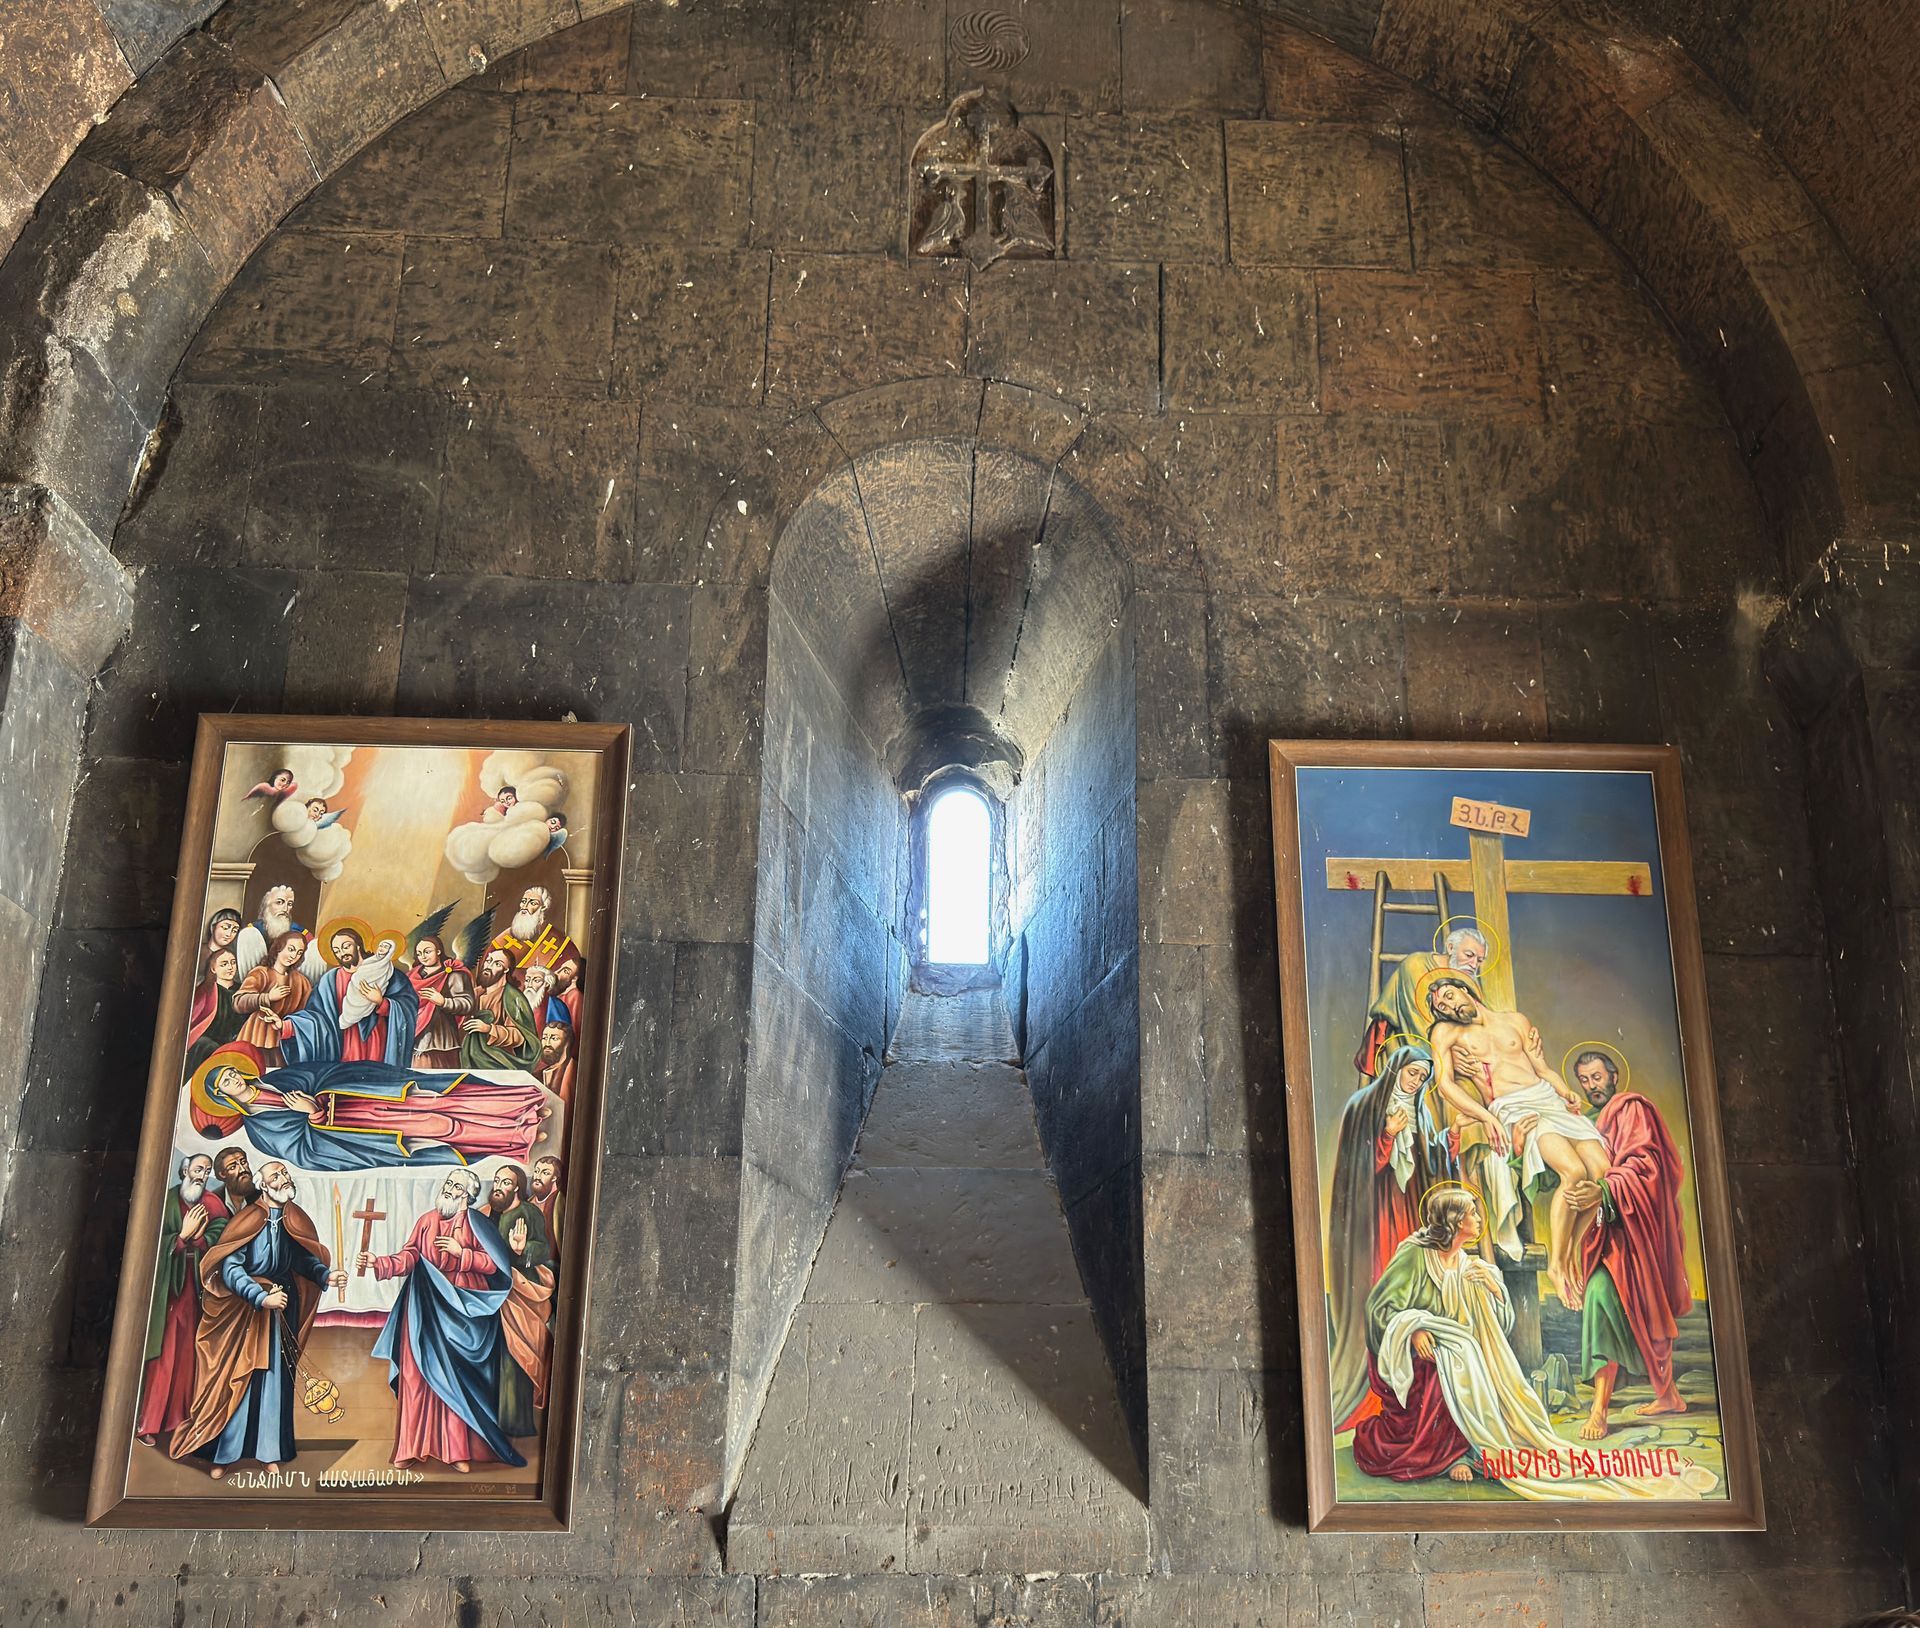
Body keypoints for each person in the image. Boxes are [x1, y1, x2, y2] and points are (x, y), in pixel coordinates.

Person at [1355, 1189, 1710, 1501]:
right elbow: (1378, 1310)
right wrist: (1413, 1330)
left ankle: (1465, 1449)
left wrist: (1493, 1288)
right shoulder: (1415, 1256)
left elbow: (1497, 1325)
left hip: (1454, 1350)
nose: (1479, 1219)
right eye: (1473, 1213)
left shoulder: (1466, 1262)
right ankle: (1448, 1457)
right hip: (1407, 1353)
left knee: (1466, 1361)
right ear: (1455, 1221)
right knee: (1452, 1366)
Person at [1426, 977, 1611, 1308]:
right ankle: (1557, 1267)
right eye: (1442, 1006)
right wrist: (1486, 1117)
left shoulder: (1515, 1020)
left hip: (1547, 1098)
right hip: (1513, 1107)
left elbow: (1543, 1069)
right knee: (1573, 1171)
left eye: (1450, 996)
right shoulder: (1446, 1033)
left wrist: (1565, 1091)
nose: (1450, 1006)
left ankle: (1571, 1252)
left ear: (1465, 989)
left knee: (1603, 1173)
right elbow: (1445, 1085)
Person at [168, 1157, 345, 1477]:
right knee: (240, 1380)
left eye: (285, 1173)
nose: (284, 1178)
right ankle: (224, 1455)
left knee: (274, 1381)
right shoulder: (249, 1219)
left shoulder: (291, 1218)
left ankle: (268, 1451)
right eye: (276, 1176)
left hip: (281, 1309)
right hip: (246, 1313)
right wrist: (260, 1296)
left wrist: (324, 1275)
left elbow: (301, 1259)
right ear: (263, 1186)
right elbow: (231, 1269)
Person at [361, 1169, 524, 1471]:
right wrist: (381, 1263)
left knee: (453, 1380)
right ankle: (411, 1447)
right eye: (448, 1183)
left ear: (467, 1195)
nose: (448, 1189)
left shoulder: (478, 1225)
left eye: (456, 1186)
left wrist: (463, 1254)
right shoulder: (427, 1221)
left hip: (462, 1309)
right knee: (415, 1376)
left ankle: (455, 1451)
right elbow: (410, 1255)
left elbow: (494, 1265)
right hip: (424, 1304)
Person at [1567, 1051, 1694, 1439]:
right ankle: (1647, 1399)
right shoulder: (1587, 1122)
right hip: (1608, 1235)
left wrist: (1604, 1189)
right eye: (1584, 1080)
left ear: (1613, 1076)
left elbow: (1646, 1167)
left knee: (1632, 1301)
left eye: (1596, 1077)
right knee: (1609, 1300)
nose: (1591, 1086)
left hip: (1638, 1231)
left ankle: (1615, 1408)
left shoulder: (1631, 1109)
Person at [1326, 1044, 1440, 1430]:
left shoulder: (1422, 1113)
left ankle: (1418, 1392)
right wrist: (1387, 1136)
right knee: (1384, 1288)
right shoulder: (1363, 1106)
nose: (1417, 1081)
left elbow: (1431, 1162)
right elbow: (1357, 1169)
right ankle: (1380, 1390)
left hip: (1410, 1213)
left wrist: (1449, 1144)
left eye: (1423, 1077)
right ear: (1395, 1068)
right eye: (1412, 1072)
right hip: (1375, 1218)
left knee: (1414, 1289)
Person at [195, 1056, 547, 1171]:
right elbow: (305, 1154)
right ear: (221, 1095)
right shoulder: (259, 1130)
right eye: (225, 1082)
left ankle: (520, 1107)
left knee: (441, 1099)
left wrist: (320, 1094)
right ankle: (517, 1135)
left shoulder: (279, 1079)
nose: (233, 1079)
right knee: (439, 1129)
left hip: (372, 1095)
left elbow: (326, 1071)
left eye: (231, 1073)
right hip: (363, 1132)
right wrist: (313, 1113)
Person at [135, 1153, 231, 1446]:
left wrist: (200, 1239)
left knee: (190, 1354)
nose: (202, 1175)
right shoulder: (165, 1202)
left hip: (198, 1287)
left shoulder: (212, 1203)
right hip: (168, 1288)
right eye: (198, 1169)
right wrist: (180, 1238)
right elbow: (150, 1240)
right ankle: (149, 1423)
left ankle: (180, 1420)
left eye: (207, 1171)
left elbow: (223, 1234)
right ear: (185, 1170)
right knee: (163, 1354)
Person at [1354, 926, 1487, 1077]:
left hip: (1451, 1048)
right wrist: (1446, 1057)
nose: (1473, 964)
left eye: (1479, 960)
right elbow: (1416, 1026)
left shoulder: (1466, 978)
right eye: (1469, 955)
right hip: (1409, 1042)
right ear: (1450, 948)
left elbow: (1477, 1022)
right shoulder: (1416, 964)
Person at [284, 925, 419, 1066]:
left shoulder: (384, 971)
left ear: (358, 945)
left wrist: (382, 1002)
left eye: (346, 946)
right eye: (337, 950)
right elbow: (315, 1016)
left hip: (377, 1044)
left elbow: (408, 1006)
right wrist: (288, 1026)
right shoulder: (329, 981)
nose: (342, 953)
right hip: (345, 1046)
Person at [486, 1165, 554, 1439]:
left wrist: (522, 1248)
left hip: (519, 1292)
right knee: (496, 1355)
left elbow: (543, 1248)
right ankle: (491, 1418)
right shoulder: (491, 1212)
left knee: (516, 1355)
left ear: (516, 1187)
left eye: (505, 1182)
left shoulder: (528, 1212)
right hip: (493, 1292)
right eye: (497, 1180)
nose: (498, 1186)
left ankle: (515, 1423)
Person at [230, 930, 314, 1070]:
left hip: (284, 1038)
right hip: (256, 1034)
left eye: (299, 952)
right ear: (279, 948)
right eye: (291, 949)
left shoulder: (301, 982)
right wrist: (267, 997)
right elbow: (238, 1002)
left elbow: (307, 1014)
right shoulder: (261, 973)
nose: (294, 956)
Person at [462, 946, 538, 1071]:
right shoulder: (475, 994)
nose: (489, 966)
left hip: (499, 1061)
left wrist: (489, 1029)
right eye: (488, 961)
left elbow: (520, 1036)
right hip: (469, 1059)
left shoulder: (513, 998)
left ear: (506, 970)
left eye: (497, 964)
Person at [409, 934, 476, 1068]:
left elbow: (468, 1004)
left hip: (442, 1037)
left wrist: (443, 1002)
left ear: (438, 951)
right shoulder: (412, 975)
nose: (423, 956)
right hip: (415, 1035)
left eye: (427, 952)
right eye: (419, 953)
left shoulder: (453, 974)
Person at [183, 947, 247, 1081]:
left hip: (237, 1041)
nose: (230, 967)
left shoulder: (243, 990)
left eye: (233, 963)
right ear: (213, 968)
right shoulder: (205, 991)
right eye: (224, 964)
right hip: (210, 1042)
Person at [531, 1156, 564, 1255]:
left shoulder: (560, 1200)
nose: (538, 1177)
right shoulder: (529, 1202)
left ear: (554, 1177)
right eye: (536, 1171)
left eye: (545, 1173)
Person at [536, 1021, 575, 1103]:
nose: (547, 1043)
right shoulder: (537, 1075)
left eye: (554, 1039)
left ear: (567, 1043)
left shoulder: (573, 1071)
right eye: (544, 1038)